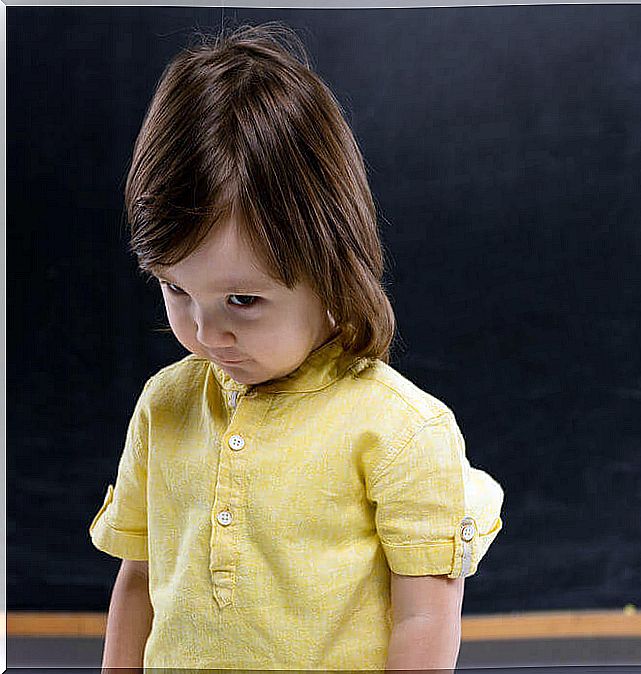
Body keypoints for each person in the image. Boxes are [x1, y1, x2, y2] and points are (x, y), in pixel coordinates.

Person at [88, 20, 504, 672]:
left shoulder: (399, 432)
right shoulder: (164, 407)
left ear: (332, 269)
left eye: (243, 301)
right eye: (175, 290)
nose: (203, 332)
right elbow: (139, 583)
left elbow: (426, 616)